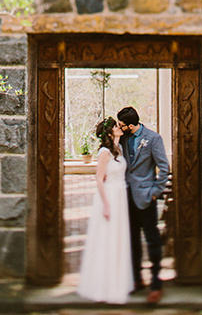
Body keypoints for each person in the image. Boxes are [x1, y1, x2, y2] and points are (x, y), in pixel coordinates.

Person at [77, 117, 133, 304]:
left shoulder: (119, 149)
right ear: (110, 132)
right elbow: (99, 179)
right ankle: (104, 285)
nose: (120, 127)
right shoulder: (103, 152)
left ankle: (118, 282)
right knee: (107, 239)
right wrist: (106, 204)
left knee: (119, 238)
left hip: (121, 195)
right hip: (109, 196)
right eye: (117, 126)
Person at [117, 106, 169, 305]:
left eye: (123, 125)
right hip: (126, 197)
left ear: (132, 124)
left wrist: (155, 192)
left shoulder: (153, 138)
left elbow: (163, 167)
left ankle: (156, 282)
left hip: (146, 197)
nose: (121, 128)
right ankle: (136, 278)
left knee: (152, 239)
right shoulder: (122, 138)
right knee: (131, 240)